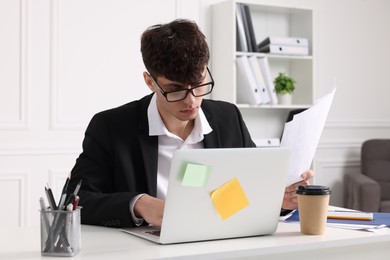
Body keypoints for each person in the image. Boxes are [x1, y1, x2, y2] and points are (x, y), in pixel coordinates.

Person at [67, 19, 313, 228]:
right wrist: (139, 204)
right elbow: (75, 200)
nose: (192, 101)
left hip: (220, 245)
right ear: (150, 82)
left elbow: (251, 188)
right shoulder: (111, 126)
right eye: (175, 89)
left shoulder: (229, 118)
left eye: (199, 84)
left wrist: (280, 200)